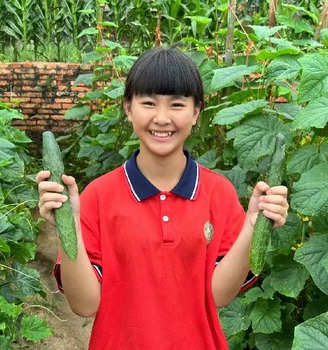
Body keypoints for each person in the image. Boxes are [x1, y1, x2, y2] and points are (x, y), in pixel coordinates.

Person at [36, 46, 289, 350]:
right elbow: (84, 304)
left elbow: (218, 296)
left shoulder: (218, 193)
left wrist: (252, 225)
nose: (162, 118)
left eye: (177, 105)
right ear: (128, 108)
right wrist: (69, 224)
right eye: (148, 103)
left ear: (196, 112)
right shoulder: (99, 196)